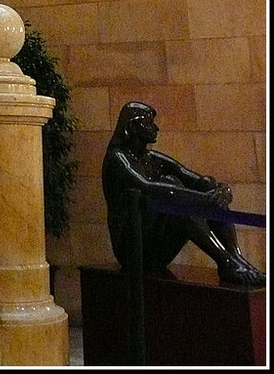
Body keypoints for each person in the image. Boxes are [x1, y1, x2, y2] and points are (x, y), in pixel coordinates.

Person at [102, 101, 265, 286]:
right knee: (174, 192)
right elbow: (148, 187)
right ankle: (226, 262)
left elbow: (197, 180)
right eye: (149, 123)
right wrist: (205, 200)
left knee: (207, 186)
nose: (155, 127)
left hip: (154, 243)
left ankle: (235, 258)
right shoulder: (118, 158)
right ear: (132, 126)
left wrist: (220, 191)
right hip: (133, 250)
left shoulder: (151, 158)